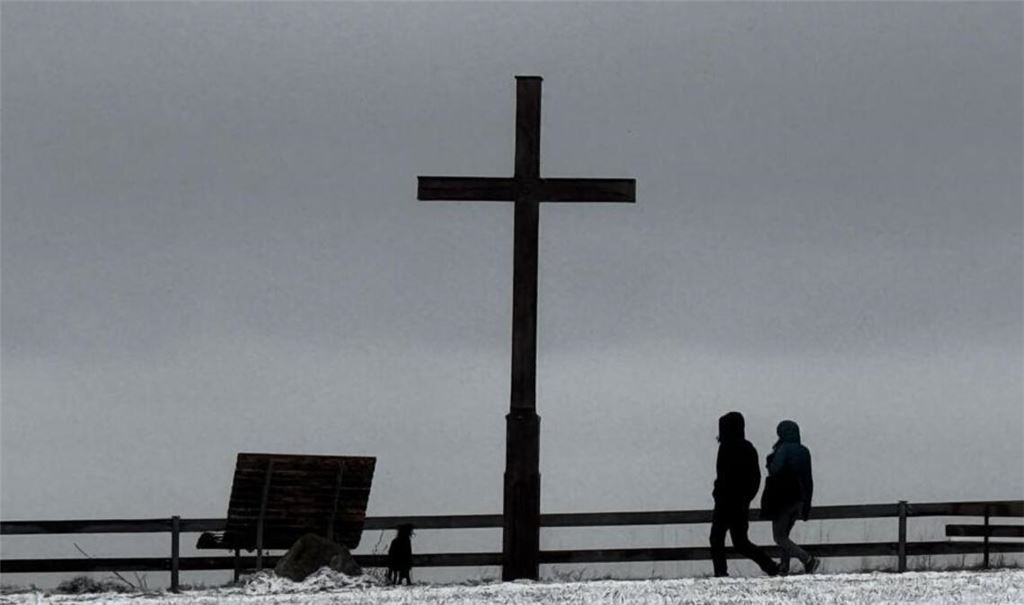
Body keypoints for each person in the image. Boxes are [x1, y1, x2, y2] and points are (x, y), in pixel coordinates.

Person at [709, 411, 779, 577]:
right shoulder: (748, 448)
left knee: (717, 538)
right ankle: (769, 565)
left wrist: (718, 492)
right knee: (740, 542)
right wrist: (747, 497)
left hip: (726, 502)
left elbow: (722, 475)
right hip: (739, 502)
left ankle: (721, 573)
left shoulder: (726, 447)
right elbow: (755, 477)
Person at [764, 419, 819, 575]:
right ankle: (784, 567)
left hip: (783, 499)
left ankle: (808, 560)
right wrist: (807, 503)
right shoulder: (804, 450)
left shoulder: (783, 449)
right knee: (785, 536)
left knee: (779, 537)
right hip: (799, 499)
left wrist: (770, 461)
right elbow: (809, 479)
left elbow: (774, 470)